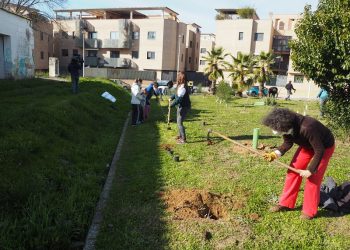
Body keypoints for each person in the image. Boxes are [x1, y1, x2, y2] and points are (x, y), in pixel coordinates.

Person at [262, 108, 335, 220]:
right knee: (293, 171)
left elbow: (319, 150)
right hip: (307, 146)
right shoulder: (286, 126)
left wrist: (310, 170)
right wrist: (274, 154)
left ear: (283, 126)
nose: (274, 131)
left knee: (313, 179)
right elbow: (287, 143)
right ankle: (286, 203)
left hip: (324, 147)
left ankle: (309, 211)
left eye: (275, 128)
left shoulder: (307, 127)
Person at [169, 71, 191, 144]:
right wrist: (171, 98)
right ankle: (180, 135)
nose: (177, 78)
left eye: (178, 77)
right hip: (180, 106)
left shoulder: (183, 88)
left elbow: (179, 99)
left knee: (179, 122)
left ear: (181, 79)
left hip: (184, 107)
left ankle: (183, 139)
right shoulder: (180, 86)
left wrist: (171, 105)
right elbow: (176, 94)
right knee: (179, 121)